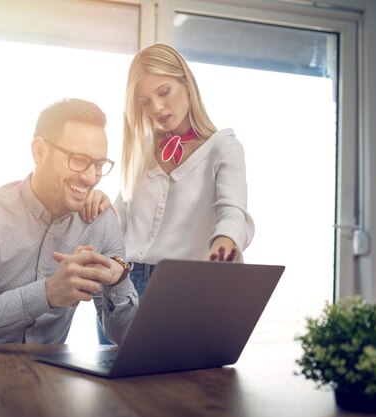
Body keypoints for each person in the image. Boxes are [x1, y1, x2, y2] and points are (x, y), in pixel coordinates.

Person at [83, 43, 255, 344]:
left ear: (186, 84)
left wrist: (225, 239)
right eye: (145, 102)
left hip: (177, 287)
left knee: (173, 387)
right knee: (110, 385)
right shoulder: (141, 152)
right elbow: (122, 222)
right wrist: (102, 204)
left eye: (164, 92)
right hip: (123, 283)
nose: (157, 109)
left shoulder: (223, 147)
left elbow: (232, 213)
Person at [0, 98, 138, 347]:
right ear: (39, 151)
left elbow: (126, 338)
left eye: (99, 164)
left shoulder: (102, 223)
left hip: (51, 377)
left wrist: (119, 282)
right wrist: (47, 293)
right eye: (78, 159)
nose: (90, 177)